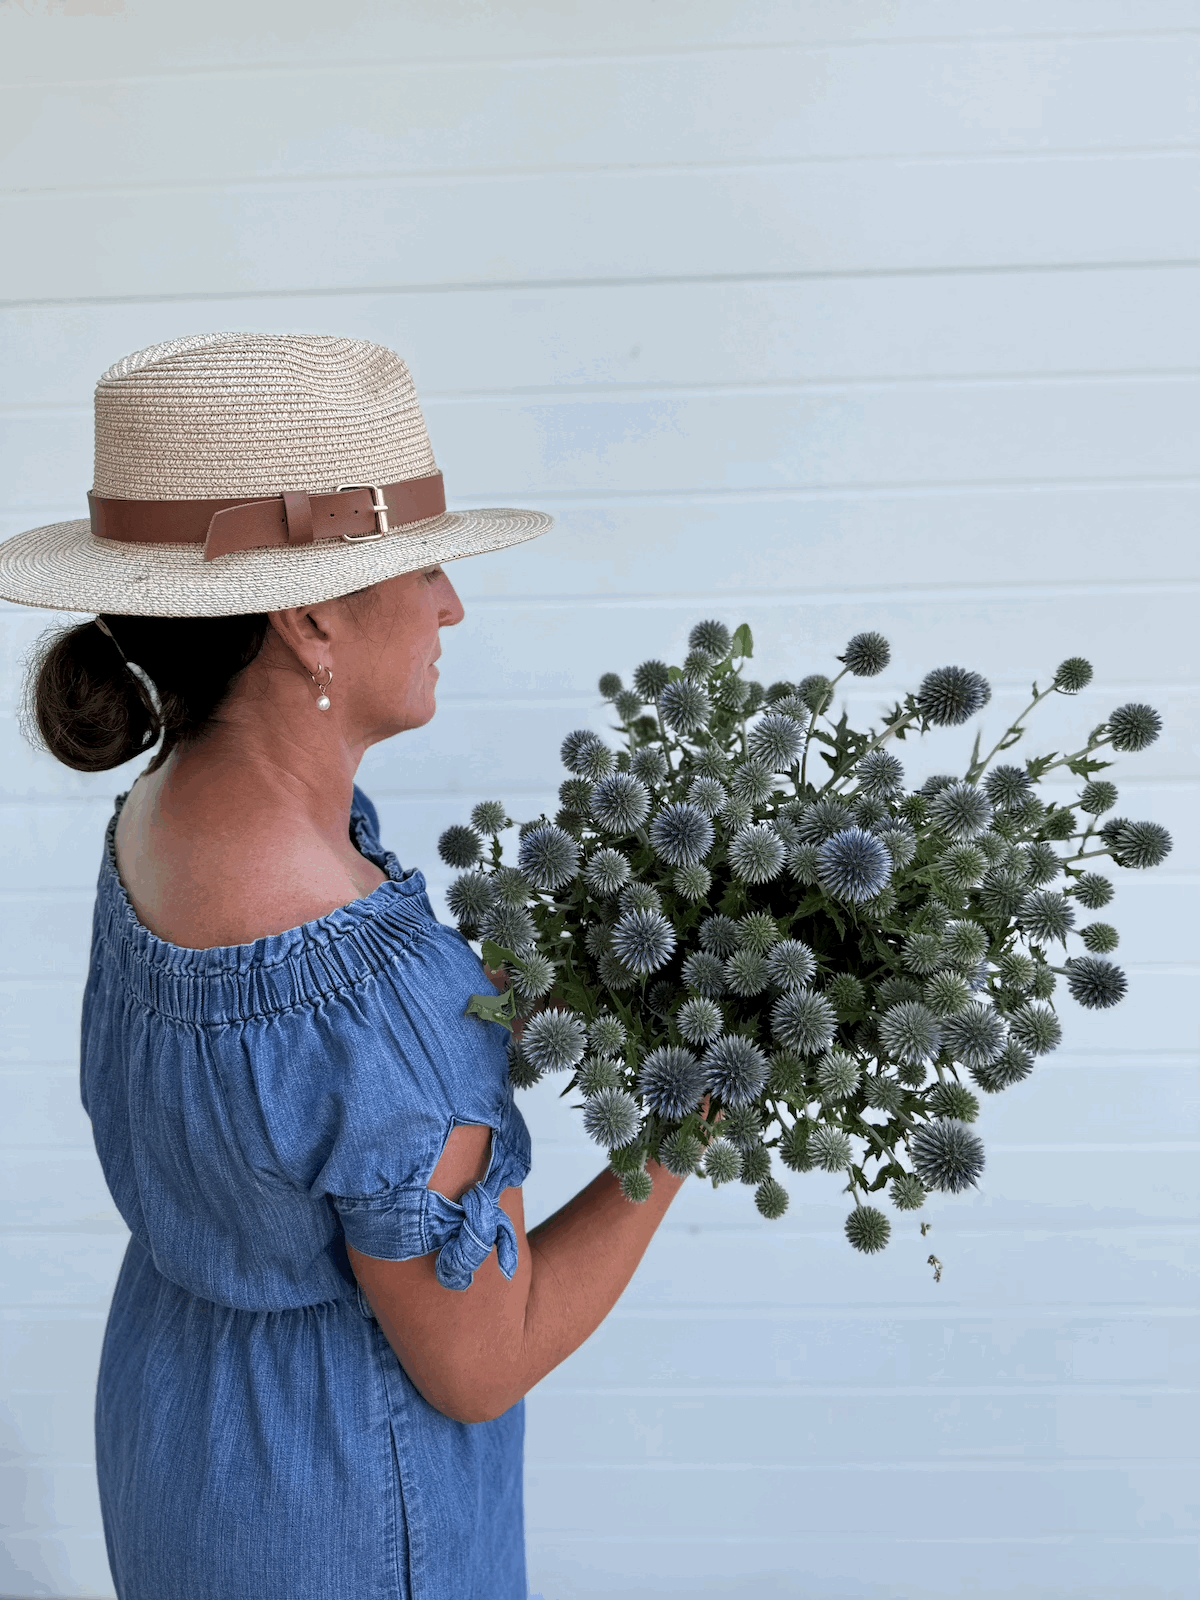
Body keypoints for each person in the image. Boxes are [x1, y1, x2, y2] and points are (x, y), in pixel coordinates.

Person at [0, 334, 688, 1600]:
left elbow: (279, 1115)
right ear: (310, 616)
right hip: (345, 1496)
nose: (450, 606)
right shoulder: (379, 994)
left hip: (181, 1424)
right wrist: (689, 1124)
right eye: (421, 565)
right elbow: (482, 1360)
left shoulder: (163, 813)